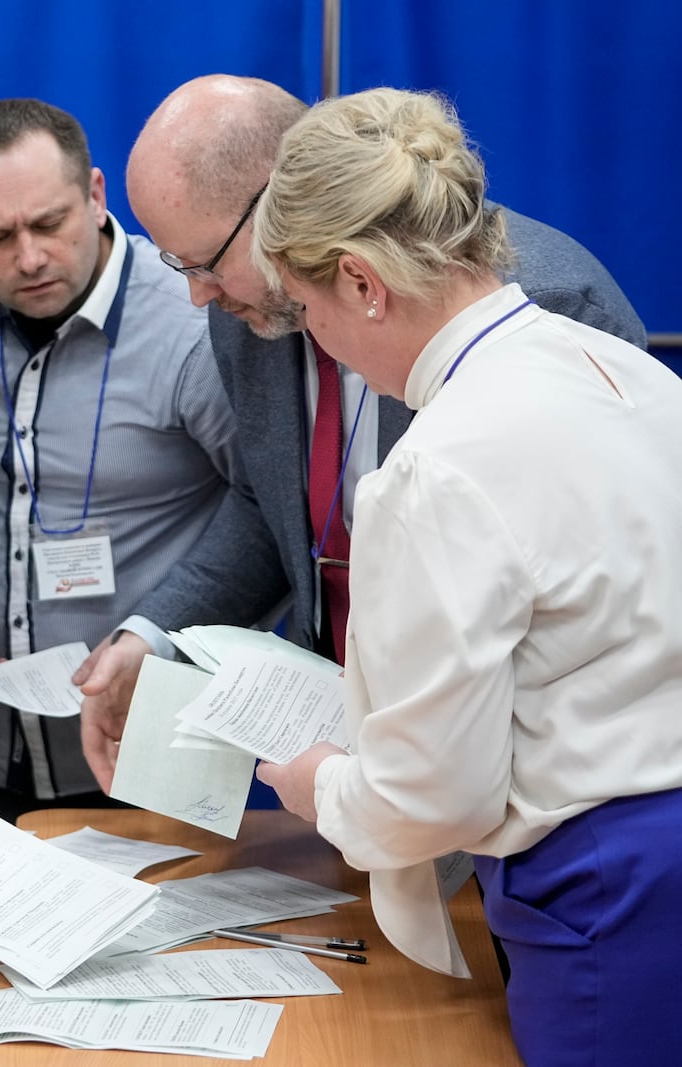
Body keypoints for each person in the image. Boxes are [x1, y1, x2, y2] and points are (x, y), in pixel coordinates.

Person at [243, 87, 682, 1066]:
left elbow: (434, 795)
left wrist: (320, 786)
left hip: (607, 877)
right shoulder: (635, 375)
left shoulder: (437, 462)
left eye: (306, 309)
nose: (319, 341)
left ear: (359, 283)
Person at [78, 74, 646, 791]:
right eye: (178, 267)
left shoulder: (553, 311)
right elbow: (269, 503)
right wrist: (156, 634)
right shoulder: (246, 318)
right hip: (350, 770)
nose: (199, 296)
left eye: (206, 263)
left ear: (286, 193)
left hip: (533, 783)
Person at [0, 98, 238, 820]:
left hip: (159, 742)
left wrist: (158, 631)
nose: (28, 258)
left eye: (49, 223)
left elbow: (271, 515)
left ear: (94, 196)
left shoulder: (197, 322)